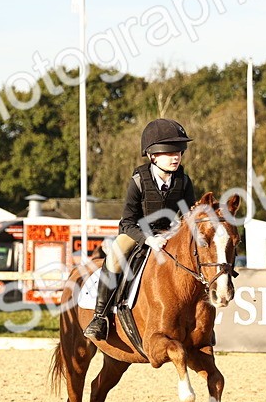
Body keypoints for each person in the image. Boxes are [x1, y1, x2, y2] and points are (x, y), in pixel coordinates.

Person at [83, 118, 196, 341]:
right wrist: (148, 240)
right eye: (170, 152)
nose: (176, 157)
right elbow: (127, 222)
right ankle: (99, 317)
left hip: (169, 233)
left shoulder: (183, 182)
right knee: (116, 255)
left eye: (179, 152)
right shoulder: (138, 181)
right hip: (136, 232)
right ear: (153, 156)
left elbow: (188, 217)